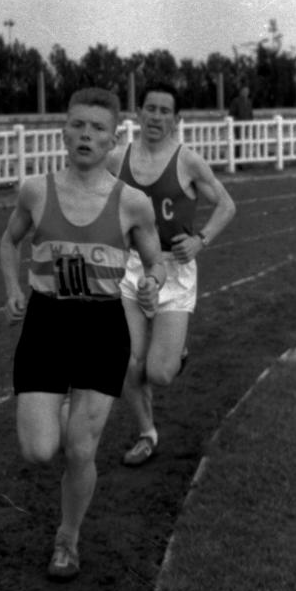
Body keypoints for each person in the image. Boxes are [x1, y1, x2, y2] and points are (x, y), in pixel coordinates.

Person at [0, 87, 166, 581]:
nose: (86, 135)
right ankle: (69, 410)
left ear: (113, 140)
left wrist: (153, 285)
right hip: (47, 324)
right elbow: (9, 242)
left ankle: (67, 540)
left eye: (97, 128)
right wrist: (12, 287)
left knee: (80, 450)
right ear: (63, 131)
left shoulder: (132, 203)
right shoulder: (35, 190)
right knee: (38, 450)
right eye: (77, 125)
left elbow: (155, 264)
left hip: (100, 328)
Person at [108, 82, 236, 467]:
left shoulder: (188, 162)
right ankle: (147, 433)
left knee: (158, 373)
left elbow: (227, 205)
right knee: (128, 362)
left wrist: (201, 240)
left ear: (176, 120)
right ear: (138, 114)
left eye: (165, 111)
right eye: (151, 108)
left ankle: (175, 353)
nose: (157, 116)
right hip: (132, 268)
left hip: (175, 270)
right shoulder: (118, 159)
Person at [229, 84, 254, 166]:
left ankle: (246, 161)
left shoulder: (249, 102)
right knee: (238, 144)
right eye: (244, 91)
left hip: (247, 126)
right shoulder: (236, 101)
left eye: (247, 91)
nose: (246, 93)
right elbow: (231, 114)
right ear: (240, 92)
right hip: (238, 126)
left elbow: (251, 114)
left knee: (246, 143)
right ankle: (238, 162)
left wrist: (251, 123)